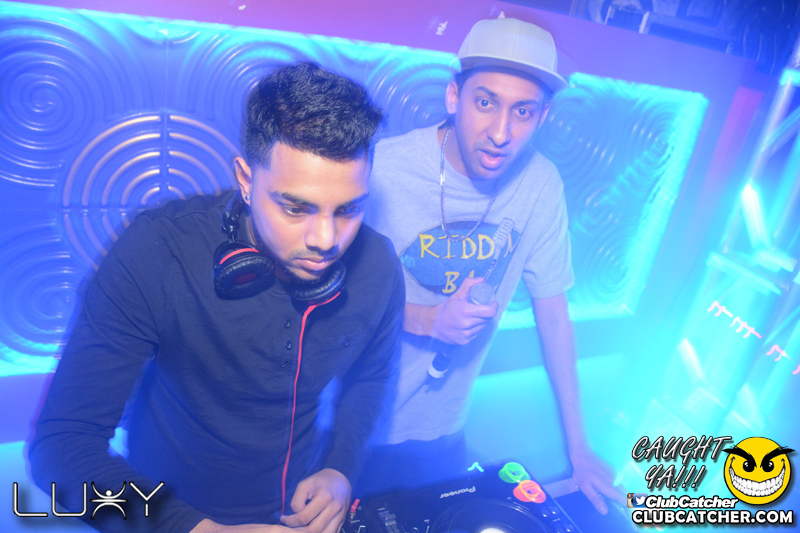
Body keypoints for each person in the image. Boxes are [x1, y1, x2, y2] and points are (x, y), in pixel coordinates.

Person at [28, 62, 405, 533]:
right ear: (246, 180)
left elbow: (372, 377)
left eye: (348, 209)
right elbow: (62, 445)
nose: (326, 239)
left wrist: (340, 469)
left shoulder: (378, 266)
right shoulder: (159, 250)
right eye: (295, 207)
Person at [362, 17, 625, 514]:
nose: (501, 133)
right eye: (485, 102)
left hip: (443, 432)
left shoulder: (541, 185)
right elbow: (329, 301)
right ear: (453, 96)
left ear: (543, 117)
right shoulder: (385, 169)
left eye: (523, 111)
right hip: (350, 429)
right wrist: (428, 320)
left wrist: (580, 450)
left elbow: (554, 317)